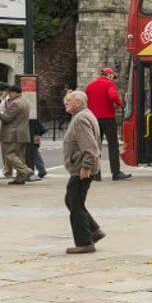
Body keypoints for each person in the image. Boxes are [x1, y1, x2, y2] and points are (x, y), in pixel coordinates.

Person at [61, 90, 106, 254]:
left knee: (75, 205)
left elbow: (90, 147)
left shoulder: (80, 119)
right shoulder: (83, 115)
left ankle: (85, 242)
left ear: (78, 102)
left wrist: (86, 166)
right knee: (72, 200)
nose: (65, 103)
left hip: (82, 168)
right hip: (80, 166)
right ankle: (94, 231)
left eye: (69, 101)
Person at [86, 68, 132, 181]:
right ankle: (115, 172)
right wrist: (120, 105)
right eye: (113, 77)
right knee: (113, 145)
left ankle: (96, 173)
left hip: (94, 119)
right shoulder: (109, 84)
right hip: (108, 118)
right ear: (110, 75)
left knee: (96, 146)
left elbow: (86, 100)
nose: (114, 79)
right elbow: (113, 96)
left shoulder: (90, 86)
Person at [0, 85, 34, 184]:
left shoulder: (15, 103)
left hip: (12, 134)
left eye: (10, 93)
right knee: (20, 156)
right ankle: (20, 178)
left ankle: (26, 170)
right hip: (23, 133)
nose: (9, 95)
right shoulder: (25, 102)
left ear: (16, 93)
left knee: (8, 155)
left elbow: (7, 118)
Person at [27, 116, 48, 181]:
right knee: (35, 154)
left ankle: (42, 170)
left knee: (35, 154)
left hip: (32, 136)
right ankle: (41, 170)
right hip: (35, 136)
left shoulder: (31, 117)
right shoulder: (33, 117)